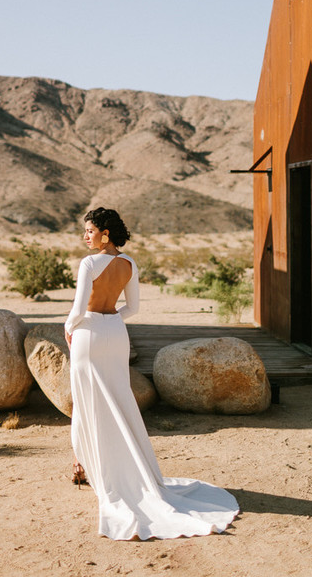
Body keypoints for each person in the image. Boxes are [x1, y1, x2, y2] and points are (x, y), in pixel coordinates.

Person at [64, 207, 239, 541]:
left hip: (87, 332)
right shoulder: (129, 264)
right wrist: (112, 318)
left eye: (89, 231)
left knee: (87, 403)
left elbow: (76, 308)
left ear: (105, 233)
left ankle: (90, 467)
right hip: (116, 333)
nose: (85, 236)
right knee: (119, 400)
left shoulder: (89, 264)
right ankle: (123, 470)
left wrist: (70, 327)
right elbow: (134, 308)